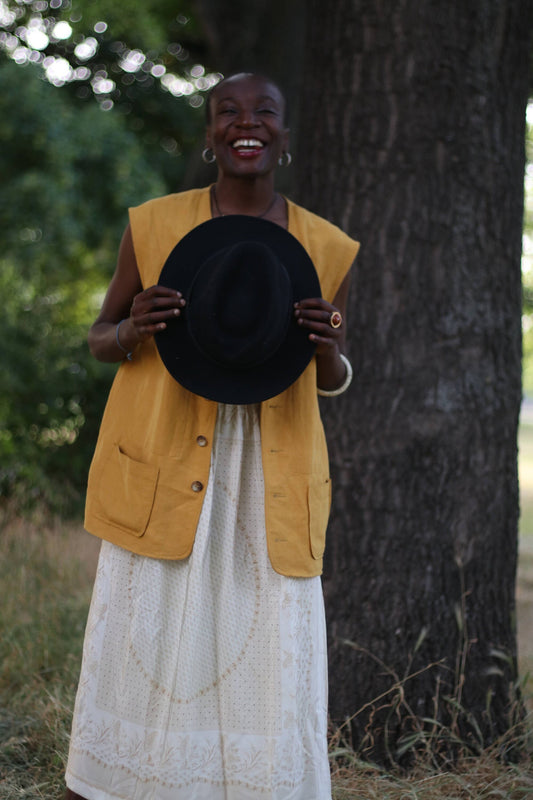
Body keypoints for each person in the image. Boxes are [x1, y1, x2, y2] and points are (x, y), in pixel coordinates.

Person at [64, 72, 359, 800]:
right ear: (209, 133)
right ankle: (122, 781)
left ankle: (253, 785)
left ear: (283, 136)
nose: (245, 123)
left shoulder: (326, 245)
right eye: (227, 111)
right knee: (152, 636)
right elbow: (101, 337)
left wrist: (326, 346)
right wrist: (132, 326)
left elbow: (331, 374)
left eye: (264, 111)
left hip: (270, 477)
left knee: (263, 645)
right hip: (164, 464)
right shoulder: (154, 225)